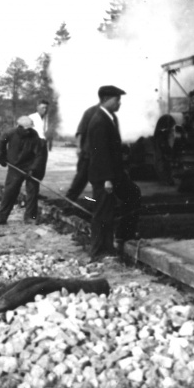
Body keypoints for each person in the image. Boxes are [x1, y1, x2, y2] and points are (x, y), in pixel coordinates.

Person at [86, 85, 141, 261]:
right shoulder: (99, 121)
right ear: (106, 100)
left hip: (115, 173)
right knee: (103, 212)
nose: (119, 103)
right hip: (104, 176)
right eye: (117, 100)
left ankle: (124, 235)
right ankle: (98, 251)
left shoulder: (110, 118)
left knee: (132, 194)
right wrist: (107, 179)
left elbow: (111, 146)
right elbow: (100, 152)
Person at [0, 116, 48, 225]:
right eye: (26, 129)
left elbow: (39, 155)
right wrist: (1, 155)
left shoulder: (34, 135)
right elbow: (1, 140)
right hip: (15, 167)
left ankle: (30, 217)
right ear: (19, 127)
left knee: (32, 192)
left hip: (30, 168)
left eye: (29, 129)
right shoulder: (10, 133)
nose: (28, 131)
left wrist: (33, 169)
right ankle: (2, 217)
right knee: (10, 191)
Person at [64, 97, 103, 203]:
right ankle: (67, 203)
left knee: (99, 183)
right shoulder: (90, 112)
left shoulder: (109, 115)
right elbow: (80, 131)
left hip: (100, 156)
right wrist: (78, 147)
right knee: (80, 180)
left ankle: (98, 207)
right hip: (87, 154)